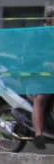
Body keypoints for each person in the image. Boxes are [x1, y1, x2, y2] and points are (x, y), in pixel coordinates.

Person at [31, 10, 53, 150]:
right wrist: (45, 63)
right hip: (41, 77)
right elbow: (32, 55)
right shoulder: (40, 36)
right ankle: (38, 134)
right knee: (40, 98)